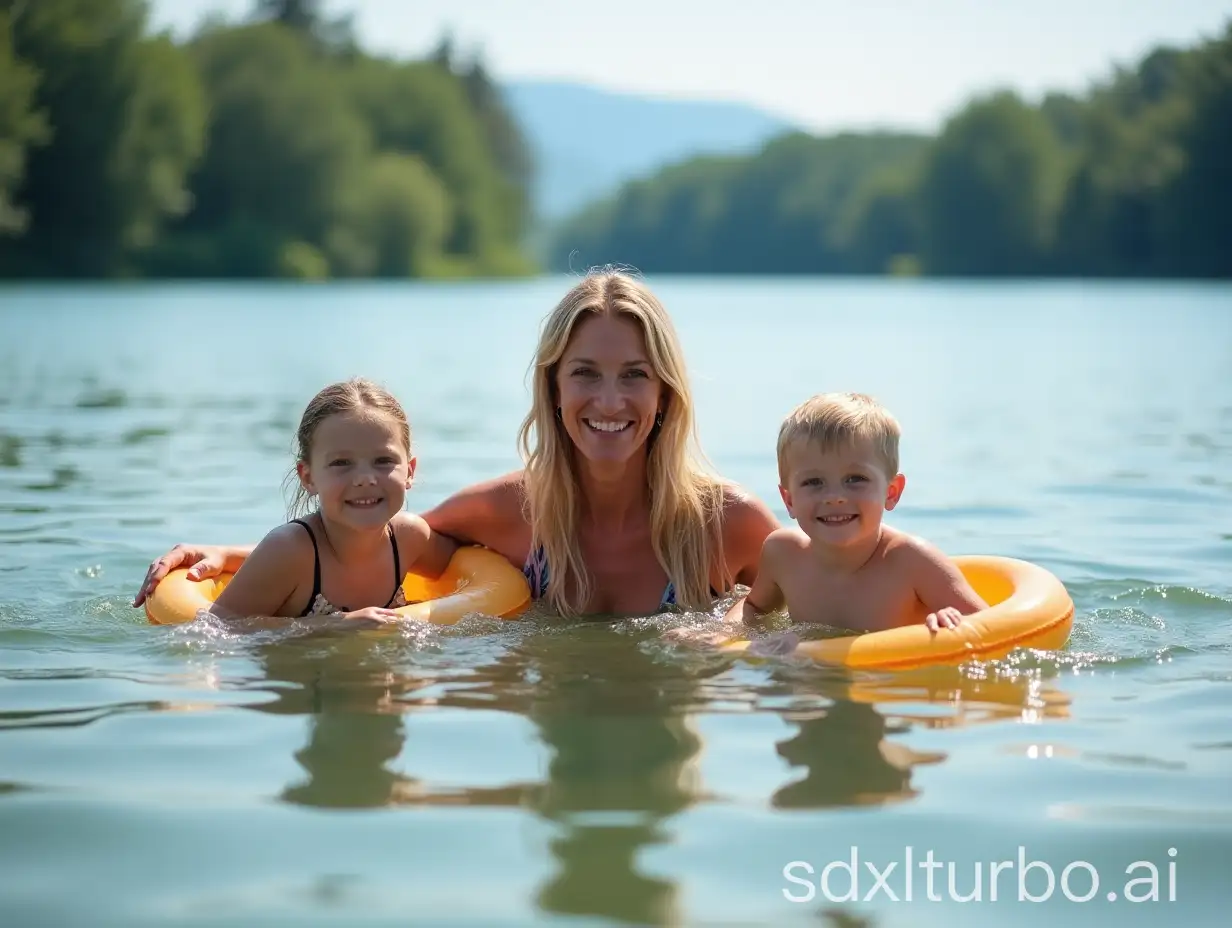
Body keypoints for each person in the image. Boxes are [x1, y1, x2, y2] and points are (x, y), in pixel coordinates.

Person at [132, 271, 779, 618]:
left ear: (665, 393)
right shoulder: (506, 512)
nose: (609, 401)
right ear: (552, 388)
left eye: (634, 376)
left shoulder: (730, 526)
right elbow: (368, 543)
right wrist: (229, 557)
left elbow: (823, 609)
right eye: (585, 373)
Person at [720, 391, 988, 637]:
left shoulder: (912, 561)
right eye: (813, 482)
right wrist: (724, 634)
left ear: (891, 492)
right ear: (789, 500)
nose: (834, 496)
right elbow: (754, 606)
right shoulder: (783, 555)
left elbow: (991, 624)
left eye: (855, 479)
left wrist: (950, 620)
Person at [196, 377, 454, 629]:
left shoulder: (409, 538)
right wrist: (330, 626)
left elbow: (465, 566)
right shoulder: (289, 550)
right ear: (308, 477)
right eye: (341, 463)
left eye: (383, 461)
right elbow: (216, 627)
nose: (365, 479)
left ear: (410, 471)